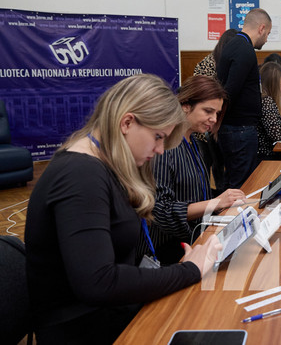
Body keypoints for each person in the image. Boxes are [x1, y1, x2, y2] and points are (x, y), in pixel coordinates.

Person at [24, 74, 223, 344]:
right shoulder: (80, 175)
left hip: (110, 313)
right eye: (158, 137)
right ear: (127, 122)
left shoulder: (103, 166)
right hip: (84, 329)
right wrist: (188, 270)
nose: (161, 150)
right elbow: (99, 282)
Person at [145, 75, 246, 264]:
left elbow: (197, 194)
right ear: (185, 105)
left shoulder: (195, 142)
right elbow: (161, 210)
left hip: (194, 237)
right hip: (167, 249)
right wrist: (215, 203)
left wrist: (227, 200)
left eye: (217, 113)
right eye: (208, 111)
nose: (213, 119)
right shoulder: (164, 146)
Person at [216, 8, 272, 189]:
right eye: (268, 34)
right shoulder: (244, 50)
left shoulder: (232, 45)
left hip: (234, 128)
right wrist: (217, 122)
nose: (267, 39)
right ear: (261, 28)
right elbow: (230, 91)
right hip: (239, 130)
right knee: (241, 186)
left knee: (232, 181)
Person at [193, 28, 239, 190]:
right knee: (208, 164)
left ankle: (217, 193)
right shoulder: (210, 64)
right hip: (205, 126)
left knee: (217, 164)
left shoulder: (223, 62)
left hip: (218, 125)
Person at [257, 62, 281, 160]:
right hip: (267, 156)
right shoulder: (267, 101)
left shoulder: (264, 99)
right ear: (273, 82)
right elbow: (278, 136)